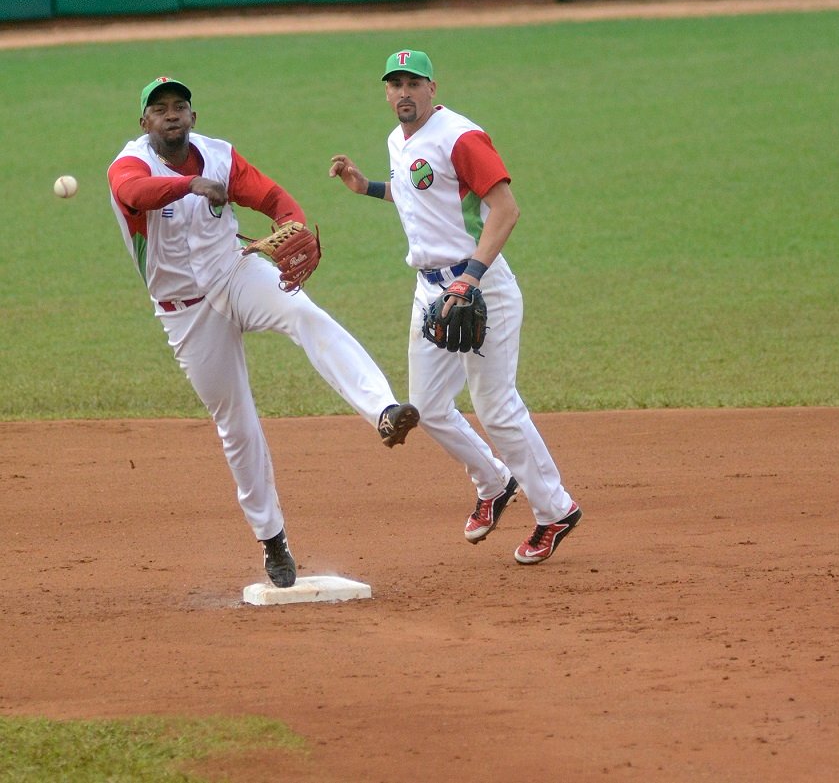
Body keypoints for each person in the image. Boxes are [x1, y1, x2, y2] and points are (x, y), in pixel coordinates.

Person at [107, 77, 420, 589]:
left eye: (180, 107)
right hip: (184, 311)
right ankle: (273, 539)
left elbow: (273, 197)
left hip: (236, 273)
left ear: (193, 116)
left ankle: (384, 410)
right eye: (159, 110)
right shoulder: (130, 164)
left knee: (305, 313)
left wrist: (292, 224)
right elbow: (131, 192)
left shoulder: (220, 156)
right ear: (144, 123)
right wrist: (188, 185)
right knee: (237, 421)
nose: (170, 116)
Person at [329, 49, 582, 564]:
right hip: (431, 292)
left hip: (479, 288)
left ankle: (555, 511)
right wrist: (366, 187)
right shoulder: (398, 141)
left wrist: (470, 278)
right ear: (385, 92)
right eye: (394, 84)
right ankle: (494, 482)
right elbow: (417, 194)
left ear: (432, 88)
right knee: (428, 406)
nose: (403, 92)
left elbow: (505, 211)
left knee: (496, 406)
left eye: (413, 83)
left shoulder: (461, 136)